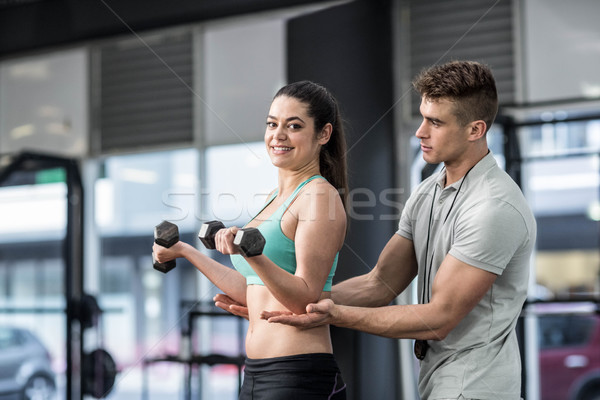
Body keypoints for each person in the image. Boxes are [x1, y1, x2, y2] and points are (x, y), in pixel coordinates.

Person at [216, 61, 536, 400]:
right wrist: (292, 303)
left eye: (435, 122)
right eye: (423, 117)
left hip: (478, 386)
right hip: (437, 379)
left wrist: (332, 313)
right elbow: (379, 283)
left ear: (475, 130)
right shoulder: (428, 193)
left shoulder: (493, 207)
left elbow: (438, 319)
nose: (420, 131)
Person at [153, 80, 348, 399]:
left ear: (323, 134)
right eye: (272, 124)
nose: (278, 135)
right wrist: (185, 251)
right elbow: (253, 289)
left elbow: (306, 300)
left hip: (298, 375)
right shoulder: (272, 199)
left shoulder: (319, 196)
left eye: (294, 125)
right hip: (255, 373)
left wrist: (252, 254)